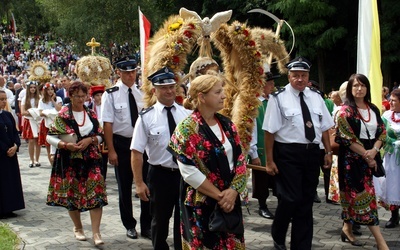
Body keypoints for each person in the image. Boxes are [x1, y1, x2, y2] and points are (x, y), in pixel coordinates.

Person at [167, 73, 247, 249]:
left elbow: (241, 159)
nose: (224, 96)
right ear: (201, 97)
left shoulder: (227, 124)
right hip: (201, 203)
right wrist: (220, 197)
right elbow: (188, 172)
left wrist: (233, 191)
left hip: (229, 201)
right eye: (218, 92)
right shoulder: (186, 129)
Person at [263, 57, 334, 250]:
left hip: (312, 154)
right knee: (290, 198)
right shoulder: (279, 98)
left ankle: (301, 245)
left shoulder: (317, 97)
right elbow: (269, 131)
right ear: (289, 75)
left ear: (308, 76)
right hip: (288, 154)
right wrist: (269, 160)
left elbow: (325, 127)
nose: (300, 79)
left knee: (305, 201)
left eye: (303, 75)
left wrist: (328, 151)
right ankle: (278, 232)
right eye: (296, 76)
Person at [131, 67, 191, 249]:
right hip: (159, 175)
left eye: (172, 87)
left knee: (184, 221)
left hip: (184, 175)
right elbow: (136, 152)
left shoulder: (186, 114)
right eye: (164, 88)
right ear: (154, 90)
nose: (170, 91)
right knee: (160, 221)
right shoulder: (146, 118)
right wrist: (139, 183)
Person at [46, 81, 107, 246]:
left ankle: (96, 232)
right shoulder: (64, 114)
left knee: (96, 191)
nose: (81, 99)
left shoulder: (91, 113)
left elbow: (101, 134)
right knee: (72, 194)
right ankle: (78, 228)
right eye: (77, 96)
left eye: (83, 96)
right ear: (70, 96)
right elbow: (50, 136)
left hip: (91, 158)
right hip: (69, 159)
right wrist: (65, 145)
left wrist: (91, 139)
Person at [335, 73, 388, 249]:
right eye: (355, 85)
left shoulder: (373, 108)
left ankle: (347, 228)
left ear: (367, 88)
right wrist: (367, 155)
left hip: (370, 155)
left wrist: (374, 151)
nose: (359, 89)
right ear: (350, 89)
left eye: (363, 85)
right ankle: (381, 243)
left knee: (352, 197)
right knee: (364, 197)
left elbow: (382, 132)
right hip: (351, 160)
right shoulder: (345, 111)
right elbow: (346, 138)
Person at [101, 56, 151, 240]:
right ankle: (129, 225)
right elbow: (107, 124)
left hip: (143, 145)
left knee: (146, 183)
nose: (130, 75)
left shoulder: (142, 93)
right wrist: (111, 150)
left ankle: (147, 225)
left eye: (133, 71)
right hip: (122, 144)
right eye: (126, 72)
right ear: (119, 73)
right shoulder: (111, 94)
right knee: (124, 187)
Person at [249, 71, 278, 219]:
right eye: (270, 84)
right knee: (261, 179)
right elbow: (251, 130)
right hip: (260, 147)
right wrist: (253, 153)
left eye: (273, 83)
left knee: (278, 177)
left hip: (276, 147)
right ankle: (262, 205)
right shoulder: (255, 105)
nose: (272, 86)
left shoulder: (273, 101)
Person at [374, 88, 400, 229]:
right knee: (392, 184)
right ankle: (394, 216)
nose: (391, 103)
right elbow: (380, 133)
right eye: (390, 100)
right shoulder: (387, 115)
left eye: (394, 101)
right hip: (391, 157)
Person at [0, 90, 24, 219]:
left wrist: (15, 145)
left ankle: (10, 207)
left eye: (5, 99)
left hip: (11, 153)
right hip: (2, 154)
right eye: (1, 99)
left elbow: (15, 132)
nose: (4, 102)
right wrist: (5, 149)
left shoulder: (7, 115)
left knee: (10, 181)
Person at [38, 82, 62, 165]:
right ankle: (52, 164)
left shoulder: (58, 99)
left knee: (58, 143)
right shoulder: (42, 100)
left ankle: (58, 163)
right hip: (47, 124)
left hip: (57, 124)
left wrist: (53, 100)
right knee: (48, 145)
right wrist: (49, 113)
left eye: (52, 89)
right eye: (48, 90)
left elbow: (59, 110)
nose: (50, 91)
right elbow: (40, 113)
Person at [88, 85, 108, 179]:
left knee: (104, 158)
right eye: (97, 95)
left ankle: (103, 178)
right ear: (93, 97)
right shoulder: (89, 107)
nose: (100, 97)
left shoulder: (108, 106)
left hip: (105, 135)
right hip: (94, 135)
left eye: (101, 95)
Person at [21, 81, 42, 168]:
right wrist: (33, 113)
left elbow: (41, 110)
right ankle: (31, 159)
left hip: (38, 121)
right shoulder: (25, 98)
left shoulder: (40, 98)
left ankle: (37, 159)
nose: (32, 89)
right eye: (31, 87)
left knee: (38, 141)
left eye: (34, 87)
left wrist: (35, 113)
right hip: (29, 121)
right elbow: (23, 112)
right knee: (31, 140)